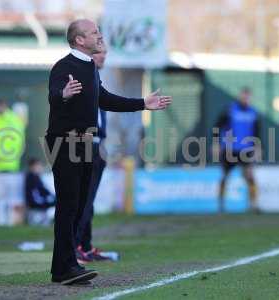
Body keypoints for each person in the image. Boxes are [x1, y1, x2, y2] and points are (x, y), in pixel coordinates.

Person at [45, 19, 172, 285]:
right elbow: (54, 95)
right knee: (68, 207)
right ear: (79, 40)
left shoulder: (90, 67)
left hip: (86, 144)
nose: (100, 36)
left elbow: (105, 99)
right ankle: (65, 268)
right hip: (65, 143)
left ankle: (66, 266)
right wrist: (63, 94)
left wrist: (143, 104)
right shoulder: (63, 66)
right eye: (94, 33)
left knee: (79, 207)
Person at [75, 47, 112, 263]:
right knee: (83, 200)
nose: (104, 55)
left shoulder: (95, 78)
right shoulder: (81, 77)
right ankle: (76, 247)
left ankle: (85, 246)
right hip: (82, 144)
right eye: (100, 52)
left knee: (89, 200)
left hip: (97, 146)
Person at [213, 87, 260, 213]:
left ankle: (254, 205)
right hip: (230, 149)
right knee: (225, 176)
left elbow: (257, 132)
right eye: (244, 96)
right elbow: (217, 125)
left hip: (246, 149)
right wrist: (216, 143)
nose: (246, 98)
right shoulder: (230, 110)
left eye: (248, 96)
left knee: (250, 176)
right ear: (240, 96)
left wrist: (257, 147)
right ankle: (220, 205)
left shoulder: (253, 112)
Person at [24, 158, 55, 226]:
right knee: (56, 202)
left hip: (37, 201)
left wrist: (53, 196)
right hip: (34, 202)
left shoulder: (35, 177)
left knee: (56, 201)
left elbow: (43, 190)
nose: (40, 167)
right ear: (33, 166)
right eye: (38, 165)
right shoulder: (31, 177)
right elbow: (41, 191)